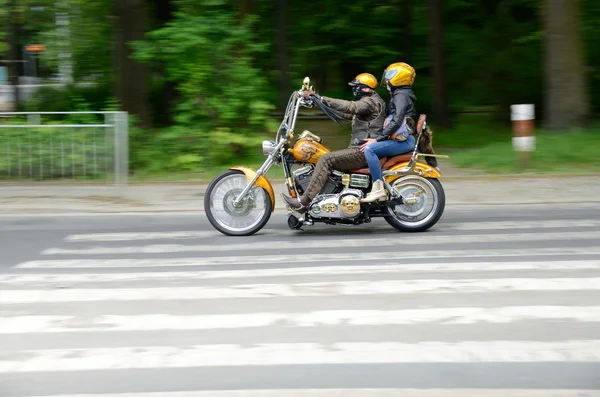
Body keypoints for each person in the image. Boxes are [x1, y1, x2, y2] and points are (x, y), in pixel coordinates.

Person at [281, 72, 387, 212]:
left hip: (362, 152)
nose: (354, 89)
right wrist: (318, 103)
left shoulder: (370, 102)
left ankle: (304, 201)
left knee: (326, 159)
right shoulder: (369, 103)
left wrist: (321, 98)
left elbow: (350, 107)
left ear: (366, 88)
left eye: (357, 87)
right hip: (361, 150)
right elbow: (345, 113)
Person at [359, 62, 418, 203]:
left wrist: (378, 139)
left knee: (369, 150)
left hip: (403, 141)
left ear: (398, 77)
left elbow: (396, 121)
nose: (386, 80)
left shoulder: (400, 96)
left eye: (389, 76)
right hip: (403, 139)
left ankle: (378, 189)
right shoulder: (402, 94)